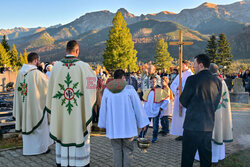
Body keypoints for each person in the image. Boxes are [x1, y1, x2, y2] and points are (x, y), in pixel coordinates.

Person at [45, 40, 96, 167]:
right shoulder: (85, 67)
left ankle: (63, 162)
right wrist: (87, 103)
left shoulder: (55, 67)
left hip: (61, 113)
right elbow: (92, 87)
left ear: (66, 50)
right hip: (78, 113)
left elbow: (50, 91)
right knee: (79, 132)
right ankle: (80, 163)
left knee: (62, 133)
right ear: (77, 51)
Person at [98, 69, 149, 167]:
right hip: (128, 126)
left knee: (117, 150)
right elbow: (137, 107)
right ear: (123, 77)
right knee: (128, 151)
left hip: (114, 127)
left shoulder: (108, 90)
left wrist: (103, 124)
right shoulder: (129, 89)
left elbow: (103, 109)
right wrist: (142, 123)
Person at [179, 54, 222, 167]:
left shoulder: (192, 79)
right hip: (207, 125)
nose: (193, 67)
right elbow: (216, 103)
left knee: (187, 159)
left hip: (192, 125)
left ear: (201, 65)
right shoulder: (217, 81)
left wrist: (192, 106)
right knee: (206, 159)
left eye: (194, 64)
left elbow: (183, 101)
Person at [13, 52, 53, 155]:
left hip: (24, 105)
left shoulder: (20, 73)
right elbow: (48, 88)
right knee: (41, 127)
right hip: (35, 107)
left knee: (28, 123)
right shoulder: (37, 74)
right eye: (38, 60)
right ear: (35, 60)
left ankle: (28, 150)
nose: (39, 62)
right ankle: (41, 149)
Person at [195, 63, 233, 163]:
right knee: (218, 130)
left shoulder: (210, 81)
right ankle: (218, 156)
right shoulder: (222, 81)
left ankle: (208, 157)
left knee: (209, 133)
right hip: (219, 113)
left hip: (210, 112)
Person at [139, 76, 170, 143]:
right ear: (150, 82)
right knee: (146, 124)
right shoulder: (148, 91)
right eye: (152, 81)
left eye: (154, 81)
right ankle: (141, 135)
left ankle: (155, 137)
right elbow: (146, 101)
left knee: (155, 125)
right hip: (148, 111)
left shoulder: (160, 91)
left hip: (156, 111)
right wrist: (144, 109)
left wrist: (161, 108)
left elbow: (166, 100)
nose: (153, 83)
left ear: (157, 82)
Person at [170, 60, 193, 141]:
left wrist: (182, 88)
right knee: (179, 117)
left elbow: (190, 87)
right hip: (178, 99)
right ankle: (180, 133)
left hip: (186, 100)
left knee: (185, 116)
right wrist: (177, 88)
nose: (181, 67)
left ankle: (186, 134)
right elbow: (173, 84)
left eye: (182, 65)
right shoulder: (180, 74)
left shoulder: (191, 75)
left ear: (187, 65)